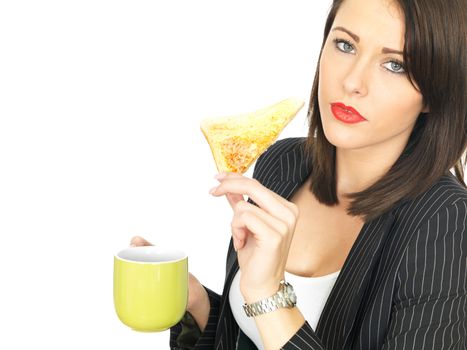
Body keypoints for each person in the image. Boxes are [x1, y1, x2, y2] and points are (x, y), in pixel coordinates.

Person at [131, 0, 466, 348]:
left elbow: (267, 311)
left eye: (394, 65)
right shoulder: (282, 163)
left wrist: (269, 295)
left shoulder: (449, 223)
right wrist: (198, 304)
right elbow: (248, 336)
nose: (352, 81)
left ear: (434, 92)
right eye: (345, 45)